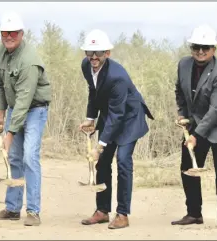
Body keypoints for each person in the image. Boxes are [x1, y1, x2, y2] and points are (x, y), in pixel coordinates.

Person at [78, 29, 154, 229]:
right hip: (111, 114)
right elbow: (93, 92)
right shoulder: (86, 66)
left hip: (129, 117)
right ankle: (102, 211)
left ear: (107, 54)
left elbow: (118, 115)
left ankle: (122, 214)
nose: (94, 57)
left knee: (122, 161)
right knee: (102, 163)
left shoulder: (117, 77)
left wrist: (100, 145)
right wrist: (90, 117)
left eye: (99, 53)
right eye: (90, 52)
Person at [0, 11, 51, 227]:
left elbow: (24, 100)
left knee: (29, 157)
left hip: (34, 110)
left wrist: (10, 133)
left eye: (13, 32)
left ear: (21, 34)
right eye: (4, 32)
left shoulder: (29, 61)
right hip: (15, 108)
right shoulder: (0, 53)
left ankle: (33, 211)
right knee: (13, 158)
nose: (8, 36)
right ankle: (12, 209)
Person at [171, 24, 217, 228]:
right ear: (191, 47)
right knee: (187, 165)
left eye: (206, 47)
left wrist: (196, 136)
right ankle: (194, 213)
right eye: (196, 47)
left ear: (213, 50)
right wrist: (183, 114)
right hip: (198, 122)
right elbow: (179, 91)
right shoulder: (183, 64)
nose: (200, 51)